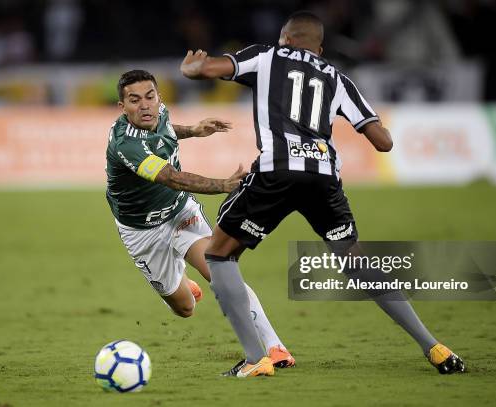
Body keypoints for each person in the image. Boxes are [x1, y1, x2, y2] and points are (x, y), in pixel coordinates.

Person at [180, 11, 465, 377]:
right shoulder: (338, 78)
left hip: (278, 170)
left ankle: (255, 360)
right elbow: (384, 142)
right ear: (321, 47)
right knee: (357, 262)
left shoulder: (268, 56)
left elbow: (207, 69)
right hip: (323, 177)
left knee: (218, 255)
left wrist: (191, 67)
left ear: (286, 37)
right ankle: (434, 347)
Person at [105, 69, 295, 370]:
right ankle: (182, 279)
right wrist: (222, 185)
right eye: (134, 100)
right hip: (142, 231)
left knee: (223, 273)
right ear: (122, 107)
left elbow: (166, 129)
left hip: (180, 213)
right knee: (185, 308)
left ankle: (275, 347)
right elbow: (173, 178)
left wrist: (193, 130)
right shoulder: (125, 145)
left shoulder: (160, 113)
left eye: (150, 97)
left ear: (159, 97)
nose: (144, 105)